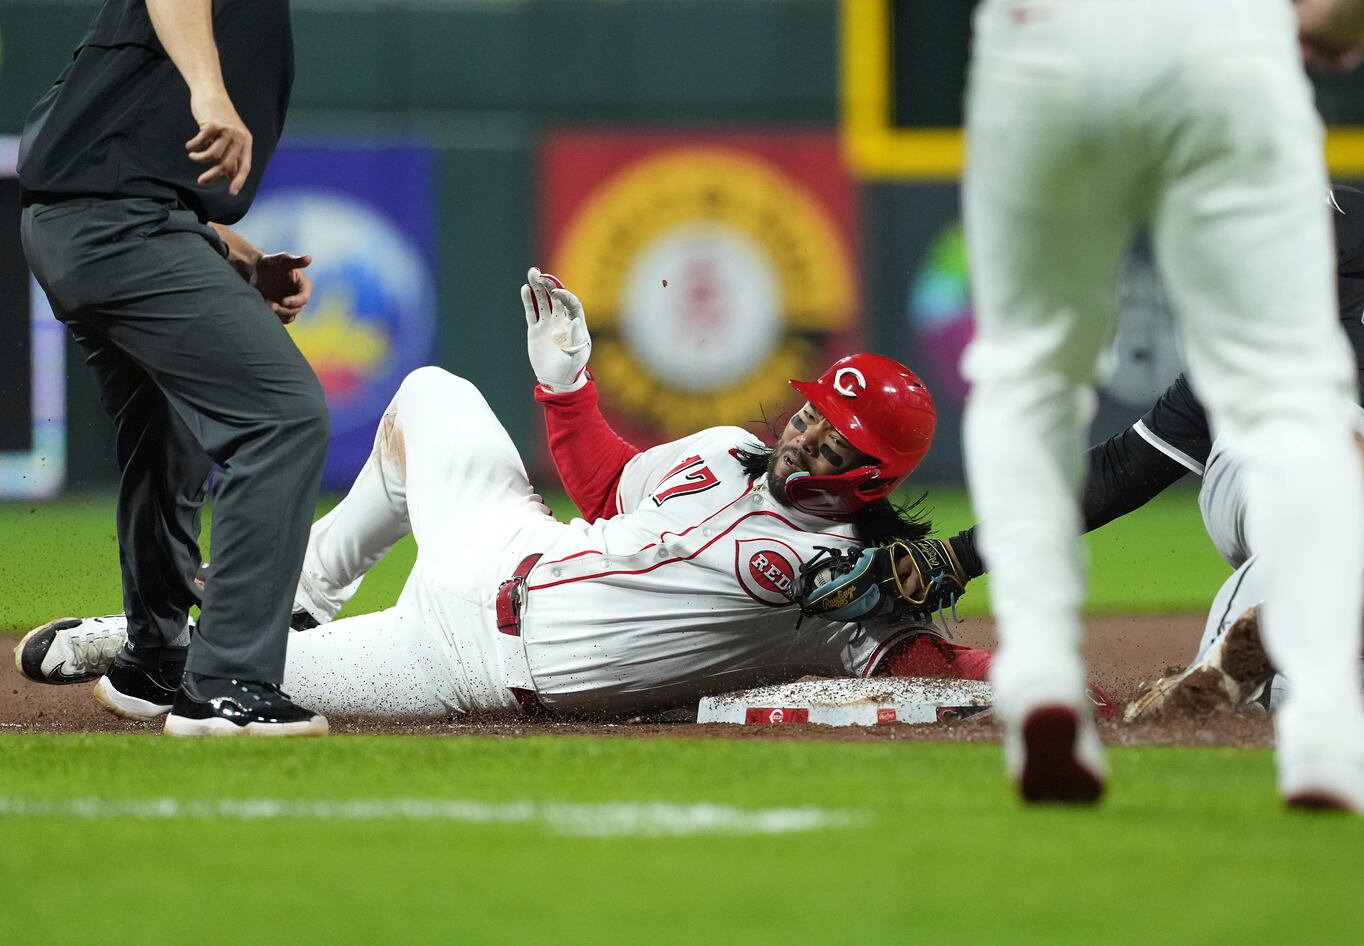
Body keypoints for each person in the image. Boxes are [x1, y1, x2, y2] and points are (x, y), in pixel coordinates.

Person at [17, 271, 995, 724]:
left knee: (215, 690)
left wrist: (1054, 683)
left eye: (837, 434)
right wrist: (570, 388)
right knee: (432, 396)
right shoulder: (733, 448)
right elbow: (608, 488)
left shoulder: (848, 582)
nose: (808, 430)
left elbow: (929, 660)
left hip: (468, 659)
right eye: (815, 410)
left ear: (872, 475)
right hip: (508, 544)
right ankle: (304, 586)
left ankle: (156, 640)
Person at [907, 185, 1364, 719]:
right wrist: (961, 552)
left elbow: (1118, 471)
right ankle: (1204, 686)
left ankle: (1281, 689)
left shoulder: (1352, 355)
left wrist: (960, 556)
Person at [959, 0, 1364, 812]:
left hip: (1045, 44)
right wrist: (1345, 23)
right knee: (1289, 393)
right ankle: (1324, 729)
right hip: (1224, 44)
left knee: (1027, 378)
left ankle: (1041, 672)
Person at [17, 0, 329, 736]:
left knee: (168, 432)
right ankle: (228, 685)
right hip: (114, 225)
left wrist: (239, 258)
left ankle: (156, 658)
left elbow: (114, 146)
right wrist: (209, 89)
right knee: (283, 417)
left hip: (98, 217)